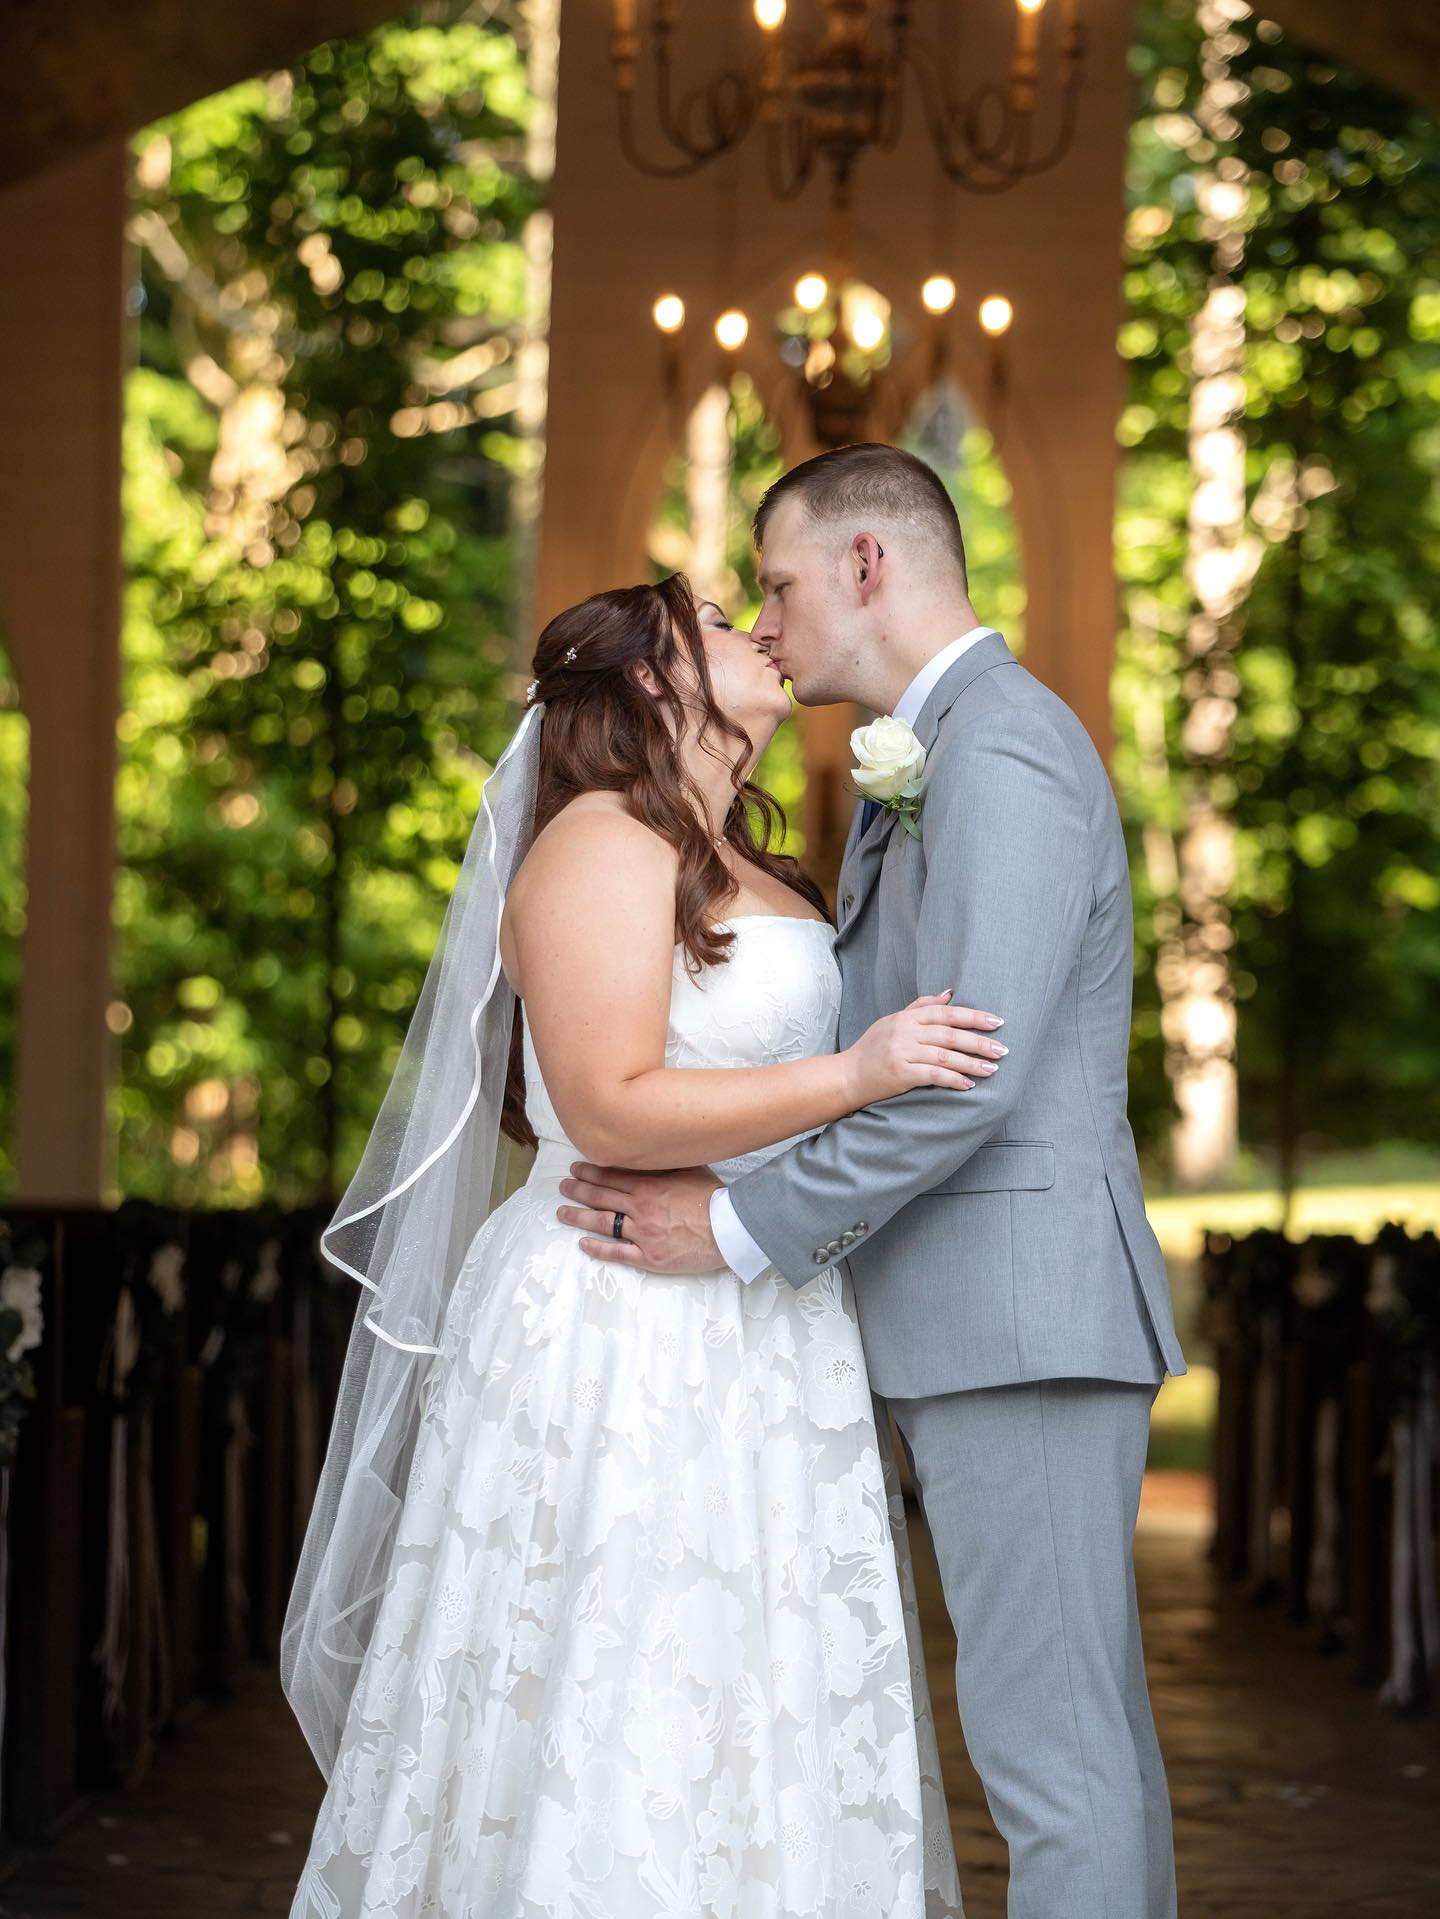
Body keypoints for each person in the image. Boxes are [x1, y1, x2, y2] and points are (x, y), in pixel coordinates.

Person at [284, 570, 1007, 1914]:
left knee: (754, 1676)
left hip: (759, 1306)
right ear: (653, 683)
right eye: (724, 627)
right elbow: (610, 1096)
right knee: (624, 1666)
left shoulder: (745, 858)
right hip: (616, 1317)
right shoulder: (600, 844)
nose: (763, 639)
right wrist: (864, 1073)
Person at [557, 443, 1188, 1918]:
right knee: (1073, 1751)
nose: (766, 623)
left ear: (866, 565)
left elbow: (965, 1076)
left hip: (1018, 1318)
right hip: (974, 1317)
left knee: (1058, 1761)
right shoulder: (940, 754)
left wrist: (735, 1227)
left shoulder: (1008, 750)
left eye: (776, 584)